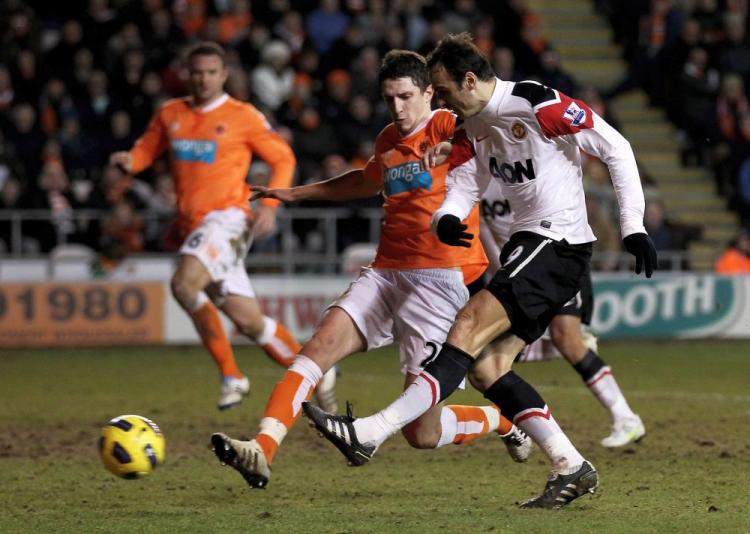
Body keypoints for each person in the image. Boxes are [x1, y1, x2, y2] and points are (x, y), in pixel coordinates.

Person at [304, 33, 657, 509]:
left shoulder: (536, 102)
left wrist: (632, 226)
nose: (441, 102)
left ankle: (369, 432)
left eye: (444, 91)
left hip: (558, 243)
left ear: (470, 80)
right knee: (490, 369)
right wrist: (445, 217)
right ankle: (571, 465)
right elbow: (466, 183)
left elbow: (615, 146)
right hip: (529, 247)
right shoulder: (471, 130)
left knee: (466, 326)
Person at [210, 50, 532, 490]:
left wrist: (456, 140)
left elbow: (486, 128)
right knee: (318, 348)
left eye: (405, 97)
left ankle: (500, 420)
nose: (397, 109)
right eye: (389, 99)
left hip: (439, 284)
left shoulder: (446, 125)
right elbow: (364, 180)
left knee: (423, 433)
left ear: (428, 92)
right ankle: (261, 449)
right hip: (385, 273)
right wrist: (296, 195)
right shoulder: (387, 139)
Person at [109, 42, 336, 411]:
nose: (203, 79)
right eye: (196, 72)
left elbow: (283, 157)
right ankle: (318, 373)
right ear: (187, 73)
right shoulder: (170, 114)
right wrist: (129, 162)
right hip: (193, 225)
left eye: (211, 72)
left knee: (184, 284)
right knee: (249, 323)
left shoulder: (242, 115)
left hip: (229, 216)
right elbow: (146, 151)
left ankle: (232, 375)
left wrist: (272, 206)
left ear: (223, 75)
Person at [479, 178, 645, 447]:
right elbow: (483, 230)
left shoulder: (525, 166)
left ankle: (626, 418)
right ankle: (520, 421)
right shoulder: (478, 173)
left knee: (565, 338)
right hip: (517, 271)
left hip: (557, 258)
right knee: (497, 350)